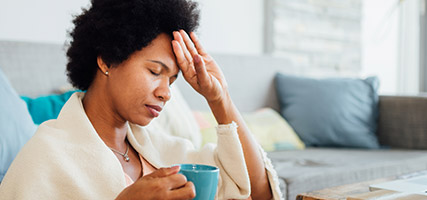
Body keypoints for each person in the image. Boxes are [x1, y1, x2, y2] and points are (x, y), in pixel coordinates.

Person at [0, 0, 283, 199]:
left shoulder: (166, 152)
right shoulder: (46, 156)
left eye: (172, 80)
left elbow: (259, 193)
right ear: (108, 59)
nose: (166, 92)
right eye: (154, 71)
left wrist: (220, 99)